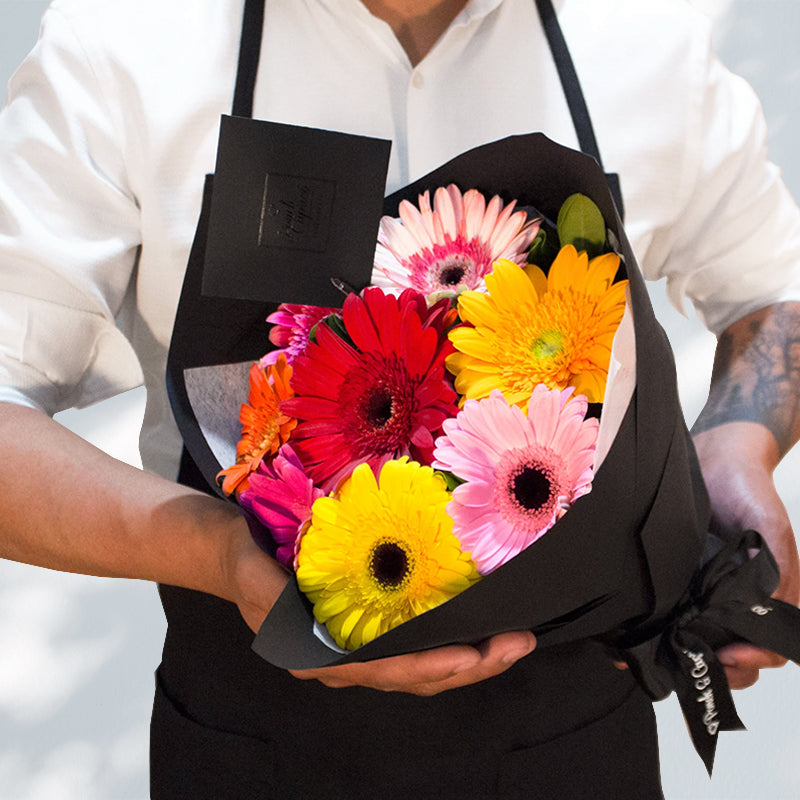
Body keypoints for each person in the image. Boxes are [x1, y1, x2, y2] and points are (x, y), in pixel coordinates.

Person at [0, 0, 798, 797]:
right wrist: (219, 553)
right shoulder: (126, 41)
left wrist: (738, 440)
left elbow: (772, 289)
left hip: (576, 739)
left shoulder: (642, 34)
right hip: (252, 741)